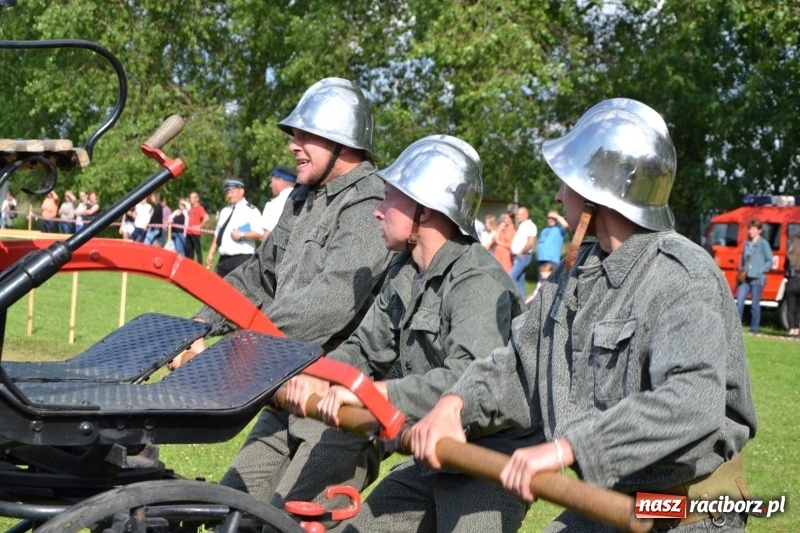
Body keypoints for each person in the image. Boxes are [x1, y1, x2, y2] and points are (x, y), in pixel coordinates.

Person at [411, 98, 758, 532]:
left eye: (567, 182)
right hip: (611, 503)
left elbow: (691, 399)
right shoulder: (572, 276)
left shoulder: (681, 274)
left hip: (687, 512)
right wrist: (456, 403)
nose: (558, 194)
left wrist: (567, 449)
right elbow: (519, 368)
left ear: (600, 192)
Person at [168, 78, 393, 517]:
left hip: (338, 410)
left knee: (289, 524)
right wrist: (197, 327)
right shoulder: (302, 199)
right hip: (284, 389)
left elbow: (330, 302)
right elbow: (257, 276)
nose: (294, 145)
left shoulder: (372, 201)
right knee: (233, 514)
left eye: (306, 135)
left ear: (341, 142)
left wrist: (233, 349)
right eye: (295, 134)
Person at [284, 135, 531, 532]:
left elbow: (465, 382)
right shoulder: (405, 270)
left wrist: (369, 393)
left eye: (389, 199)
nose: (377, 212)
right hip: (429, 456)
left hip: (489, 463)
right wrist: (317, 375)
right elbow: (364, 350)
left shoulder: (479, 282)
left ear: (425, 210)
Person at [206, 179, 265, 277]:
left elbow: (260, 233)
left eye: (232, 192)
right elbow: (218, 234)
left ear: (241, 191)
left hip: (241, 259)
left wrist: (241, 235)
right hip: (224, 259)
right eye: (228, 192)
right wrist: (211, 252)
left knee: (238, 291)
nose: (229, 195)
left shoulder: (251, 211)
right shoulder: (225, 211)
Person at [735, 218, 773, 334]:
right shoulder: (746, 244)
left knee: (755, 304)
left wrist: (761, 270)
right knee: (739, 301)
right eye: (750, 229)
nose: (750, 231)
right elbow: (743, 260)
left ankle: (754, 329)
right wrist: (741, 271)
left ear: (759, 231)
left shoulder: (763, 244)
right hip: (745, 278)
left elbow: (769, 260)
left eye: (753, 229)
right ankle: (736, 329)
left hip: (758, 279)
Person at [260, 165, 296, 238]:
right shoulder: (306, 200)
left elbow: (267, 239)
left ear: (280, 181)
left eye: (272, 181)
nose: (270, 185)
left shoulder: (273, 205)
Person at [509, 205, 537, 298]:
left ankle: (514, 300)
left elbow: (530, 242)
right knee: (520, 281)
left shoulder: (530, 225)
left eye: (519, 214)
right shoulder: (523, 225)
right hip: (519, 256)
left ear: (526, 214)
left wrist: (521, 252)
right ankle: (522, 302)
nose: (517, 216)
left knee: (511, 278)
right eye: (517, 214)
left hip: (523, 256)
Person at [536, 209, 568, 280]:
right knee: (541, 281)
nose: (550, 220)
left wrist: (556, 216)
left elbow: (566, 224)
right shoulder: (545, 230)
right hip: (541, 259)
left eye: (553, 218)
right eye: (549, 218)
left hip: (552, 259)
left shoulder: (559, 228)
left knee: (551, 282)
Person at [184, 191, 209, 263]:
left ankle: (200, 266)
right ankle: (189, 265)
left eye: (192, 197)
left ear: (197, 199)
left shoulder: (200, 208)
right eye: (190, 197)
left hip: (195, 233)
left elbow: (206, 218)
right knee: (188, 251)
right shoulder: (191, 209)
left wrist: (199, 226)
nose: (191, 199)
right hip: (189, 233)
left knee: (198, 251)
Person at [785, 232, 800, 338]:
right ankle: (797, 329)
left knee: (790, 308)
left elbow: (785, 269)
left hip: (791, 282)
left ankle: (791, 330)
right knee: (798, 309)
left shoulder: (789, 256)